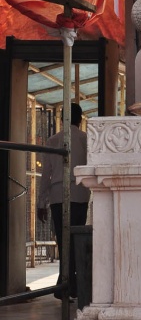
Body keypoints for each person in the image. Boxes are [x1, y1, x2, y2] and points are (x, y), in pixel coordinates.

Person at [37, 102, 90, 299]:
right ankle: (72, 283)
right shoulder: (86, 139)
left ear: (61, 120)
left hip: (58, 195)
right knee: (76, 239)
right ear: (80, 119)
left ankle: (64, 281)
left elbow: (46, 174)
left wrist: (41, 202)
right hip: (80, 193)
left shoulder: (53, 140)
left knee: (62, 240)